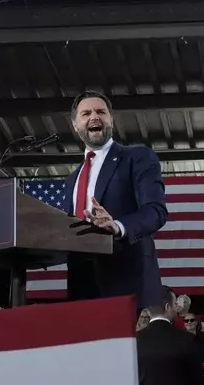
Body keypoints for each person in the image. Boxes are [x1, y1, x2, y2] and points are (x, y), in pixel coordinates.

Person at [64, 90, 168, 312]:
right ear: (75, 124)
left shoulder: (137, 157)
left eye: (101, 111)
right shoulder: (72, 179)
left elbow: (155, 210)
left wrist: (118, 226)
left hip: (128, 283)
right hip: (83, 288)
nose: (94, 117)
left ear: (111, 119)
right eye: (86, 113)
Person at [136, 285, 204, 385]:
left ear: (148, 310)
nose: (177, 308)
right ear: (168, 307)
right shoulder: (187, 339)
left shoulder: (135, 341)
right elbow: (198, 381)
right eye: (175, 304)